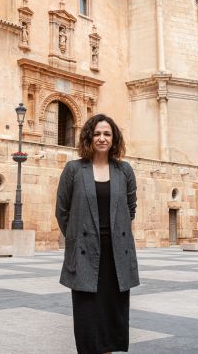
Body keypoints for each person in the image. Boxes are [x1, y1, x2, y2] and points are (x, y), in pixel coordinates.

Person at [56, 114, 139, 354]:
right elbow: (62, 210)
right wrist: (77, 238)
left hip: (116, 255)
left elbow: (130, 208)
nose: (102, 138)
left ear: (114, 139)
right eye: (97, 134)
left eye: (107, 134)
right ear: (89, 137)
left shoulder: (124, 170)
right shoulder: (73, 169)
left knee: (112, 315)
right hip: (84, 254)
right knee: (87, 315)